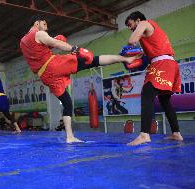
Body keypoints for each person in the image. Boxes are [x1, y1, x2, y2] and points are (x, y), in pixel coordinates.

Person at [20, 15, 138, 143]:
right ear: (37, 23)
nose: (46, 28)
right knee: (93, 61)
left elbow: (38, 53)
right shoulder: (38, 33)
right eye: (44, 24)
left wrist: (51, 43)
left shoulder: (23, 42)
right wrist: (76, 49)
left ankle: (69, 137)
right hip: (53, 65)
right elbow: (56, 43)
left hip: (44, 75)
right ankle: (126, 59)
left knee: (67, 102)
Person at [124, 11, 183, 145]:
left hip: (162, 64)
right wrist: (138, 57)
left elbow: (132, 41)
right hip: (169, 63)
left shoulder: (145, 23)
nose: (129, 28)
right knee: (164, 100)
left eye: (130, 24)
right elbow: (148, 53)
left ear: (138, 20)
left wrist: (126, 52)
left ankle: (144, 134)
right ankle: (176, 133)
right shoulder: (151, 32)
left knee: (147, 93)